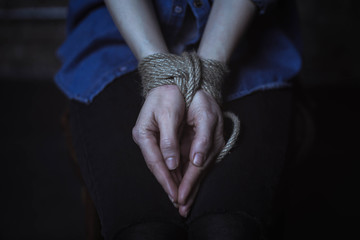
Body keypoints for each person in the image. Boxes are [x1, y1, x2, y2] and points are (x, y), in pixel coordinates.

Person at [55, 0, 302, 239]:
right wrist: (159, 74)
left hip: (245, 38)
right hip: (120, 37)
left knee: (226, 228)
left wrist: (208, 77)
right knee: (144, 230)